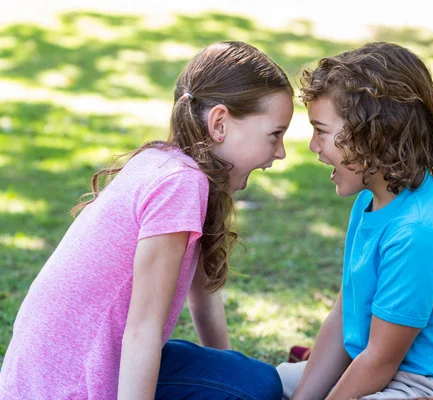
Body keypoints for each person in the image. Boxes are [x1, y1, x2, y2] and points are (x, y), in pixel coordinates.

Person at [0, 41, 293, 400]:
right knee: (256, 390)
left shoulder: (166, 162)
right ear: (220, 122)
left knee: (255, 382)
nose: (280, 152)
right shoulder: (180, 184)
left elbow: (202, 294)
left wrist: (226, 370)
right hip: (70, 384)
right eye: (275, 135)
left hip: (55, 370)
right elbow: (142, 331)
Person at [277, 42, 433, 400]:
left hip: (428, 385)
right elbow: (347, 311)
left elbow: (380, 360)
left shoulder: (418, 232)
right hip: (372, 367)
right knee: (270, 383)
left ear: (373, 135)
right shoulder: (370, 199)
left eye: (322, 131)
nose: (314, 147)